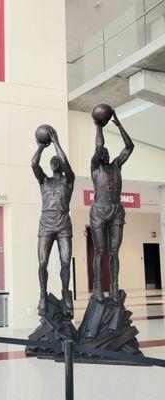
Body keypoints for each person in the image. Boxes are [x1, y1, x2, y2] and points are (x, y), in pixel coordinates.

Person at [90, 111, 134, 303]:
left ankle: (114, 285)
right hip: (99, 210)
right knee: (100, 251)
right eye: (103, 153)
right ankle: (98, 285)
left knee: (114, 250)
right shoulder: (95, 167)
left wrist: (118, 124)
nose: (105, 154)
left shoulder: (116, 165)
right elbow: (99, 145)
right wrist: (99, 125)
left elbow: (129, 146)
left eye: (108, 153)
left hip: (116, 209)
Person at [32, 127, 75, 316]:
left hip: (64, 222)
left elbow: (65, 161)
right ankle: (42, 294)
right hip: (46, 223)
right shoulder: (44, 181)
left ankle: (65, 292)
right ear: (50, 166)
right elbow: (34, 164)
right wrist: (41, 147)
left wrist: (56, 142)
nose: (56, 161)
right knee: (42, 263)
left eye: (58, 160)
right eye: (53, 160)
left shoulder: (69, 180)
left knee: (66, 262)